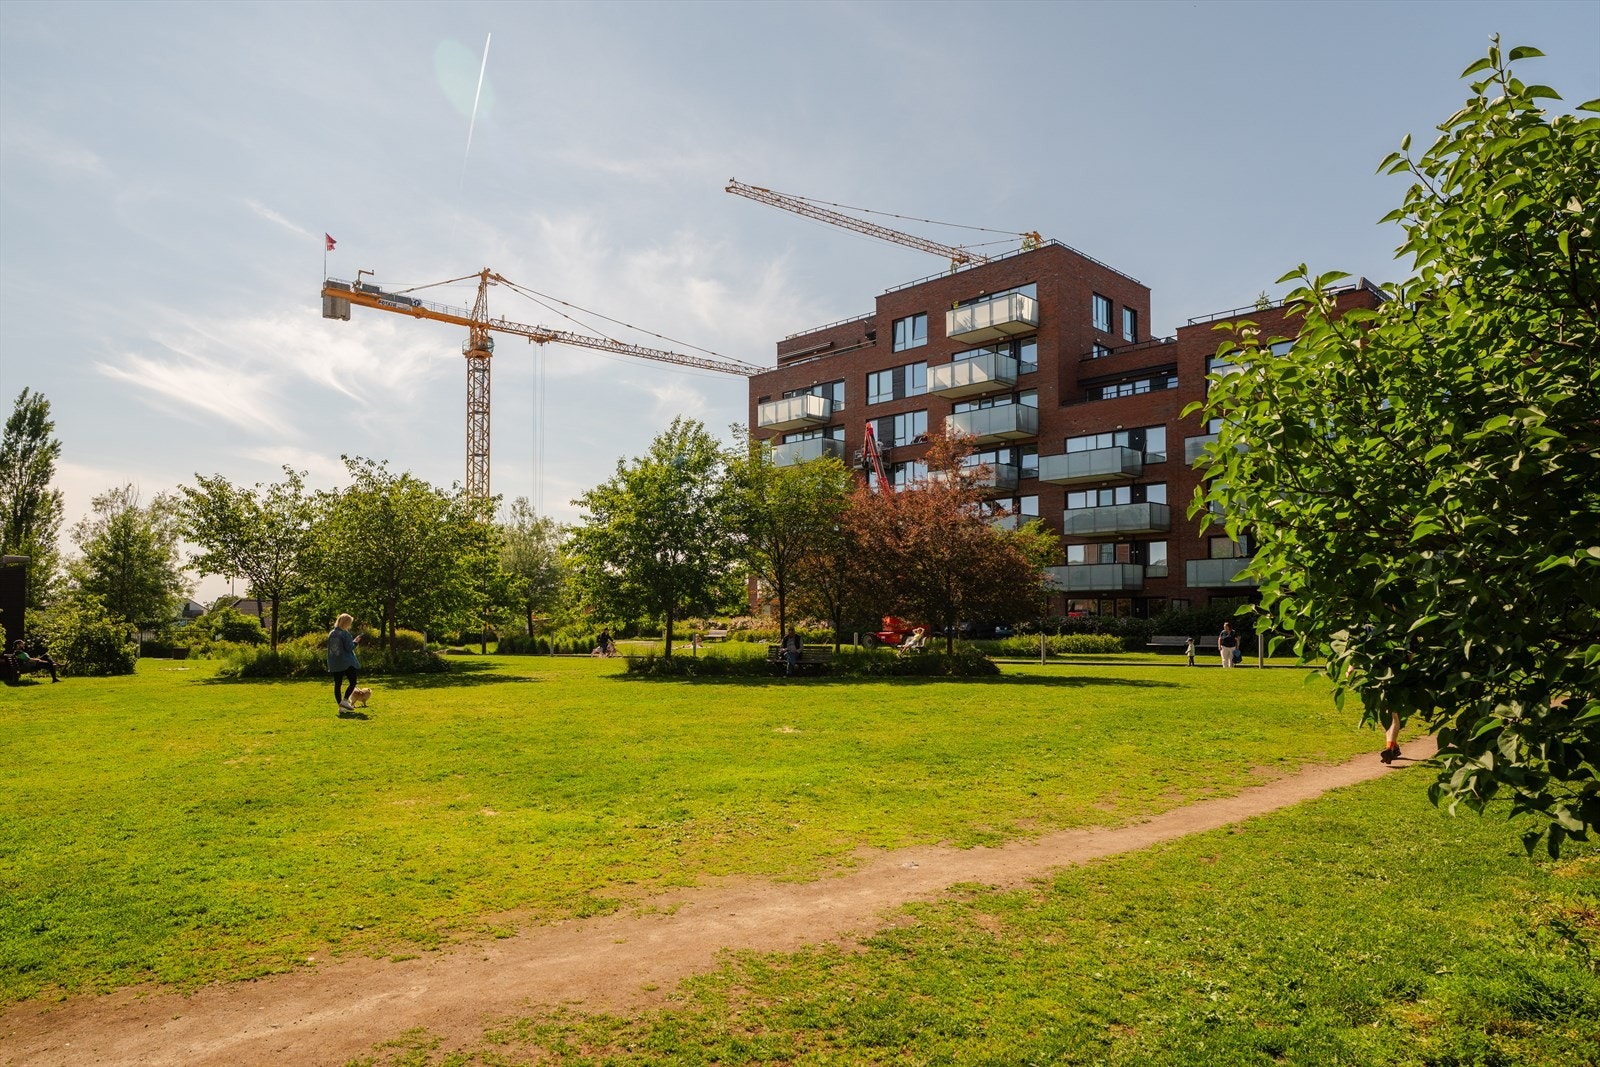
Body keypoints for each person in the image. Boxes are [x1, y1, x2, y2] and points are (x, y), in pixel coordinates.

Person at [327, 613, 362, 712]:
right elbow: (349, 647)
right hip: (347, 662)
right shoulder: (344, 633)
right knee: (353, 682)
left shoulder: (332, 633)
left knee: (337, 684)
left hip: (334, 662)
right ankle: (345, 700)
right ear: (346, 623)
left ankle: (341, 707)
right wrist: (356, 641)